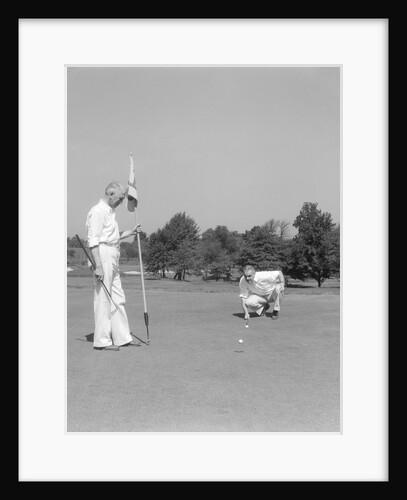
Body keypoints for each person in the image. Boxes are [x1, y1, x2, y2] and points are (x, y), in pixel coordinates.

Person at [86, 181, 142, 351]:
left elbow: (113, 236)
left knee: (118, 297)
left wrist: (130, 232)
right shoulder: (97, 212)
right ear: (110, 194)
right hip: (102, 256)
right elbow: (93, 240)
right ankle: (102, 340)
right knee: (103, 298)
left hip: (112, 254)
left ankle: (122, 337)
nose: (121, 202)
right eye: (119, 198)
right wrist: (98, 266)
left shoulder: (110, 212)